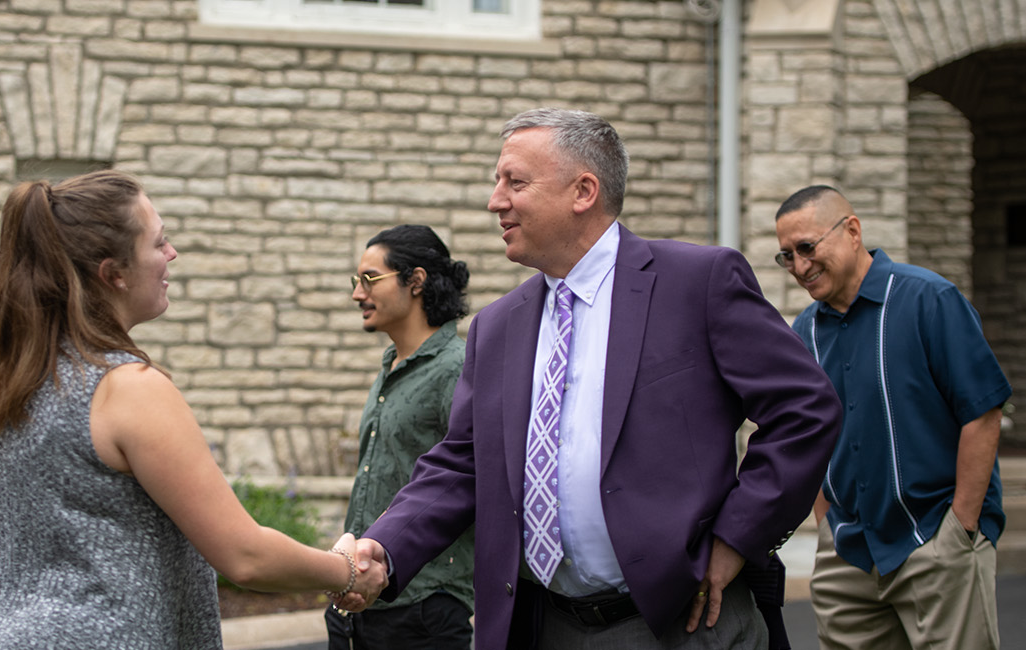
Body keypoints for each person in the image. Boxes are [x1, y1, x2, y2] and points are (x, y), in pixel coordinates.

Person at [343, 108, 843, 650]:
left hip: (682, 622)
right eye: (496, 182)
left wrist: (737, 537)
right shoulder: (496, 327)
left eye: (515, 182)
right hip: (542, 626)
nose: (495, 201)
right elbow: (461, 462)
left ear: (583, 191)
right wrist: (385, 549)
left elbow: (804, 409)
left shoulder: (696, 284)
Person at [0, 170, 387, 649]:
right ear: (114, 274)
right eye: (159, 243)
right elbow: (244, 555)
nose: (172, 255)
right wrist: (347, 570)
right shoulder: (126, 388)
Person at [774, 185, 1009, 650]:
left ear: (852, 231)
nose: (800, 267)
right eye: (786, 256)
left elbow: (982, 412)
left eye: (807, 248)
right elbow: (810, 436)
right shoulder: (804, 334)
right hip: (850, 557)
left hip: (935, 541)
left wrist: (960, 528)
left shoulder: (929, 300)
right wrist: (828, 531)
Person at [327, 225, 476, 649]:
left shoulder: (457, 369)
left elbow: (477, 479)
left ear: (416, 281)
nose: (358, 293)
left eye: (370, 279)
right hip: (358, 606)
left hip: (424, 609)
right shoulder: (391, 363)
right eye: (356, 281)